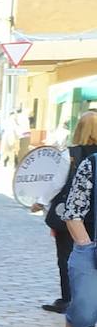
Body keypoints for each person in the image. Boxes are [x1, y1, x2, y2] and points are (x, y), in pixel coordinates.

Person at [44, 111, 97, 315]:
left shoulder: (71, 153)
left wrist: (41, 202)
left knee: (67, 257)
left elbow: (57, 184)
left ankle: (69, 299)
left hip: (74, 215)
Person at [56, 112, 97, 327]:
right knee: (84, 314)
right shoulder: (92, 164)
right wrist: (85, 246)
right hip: (91, 249)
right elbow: (73, 212)